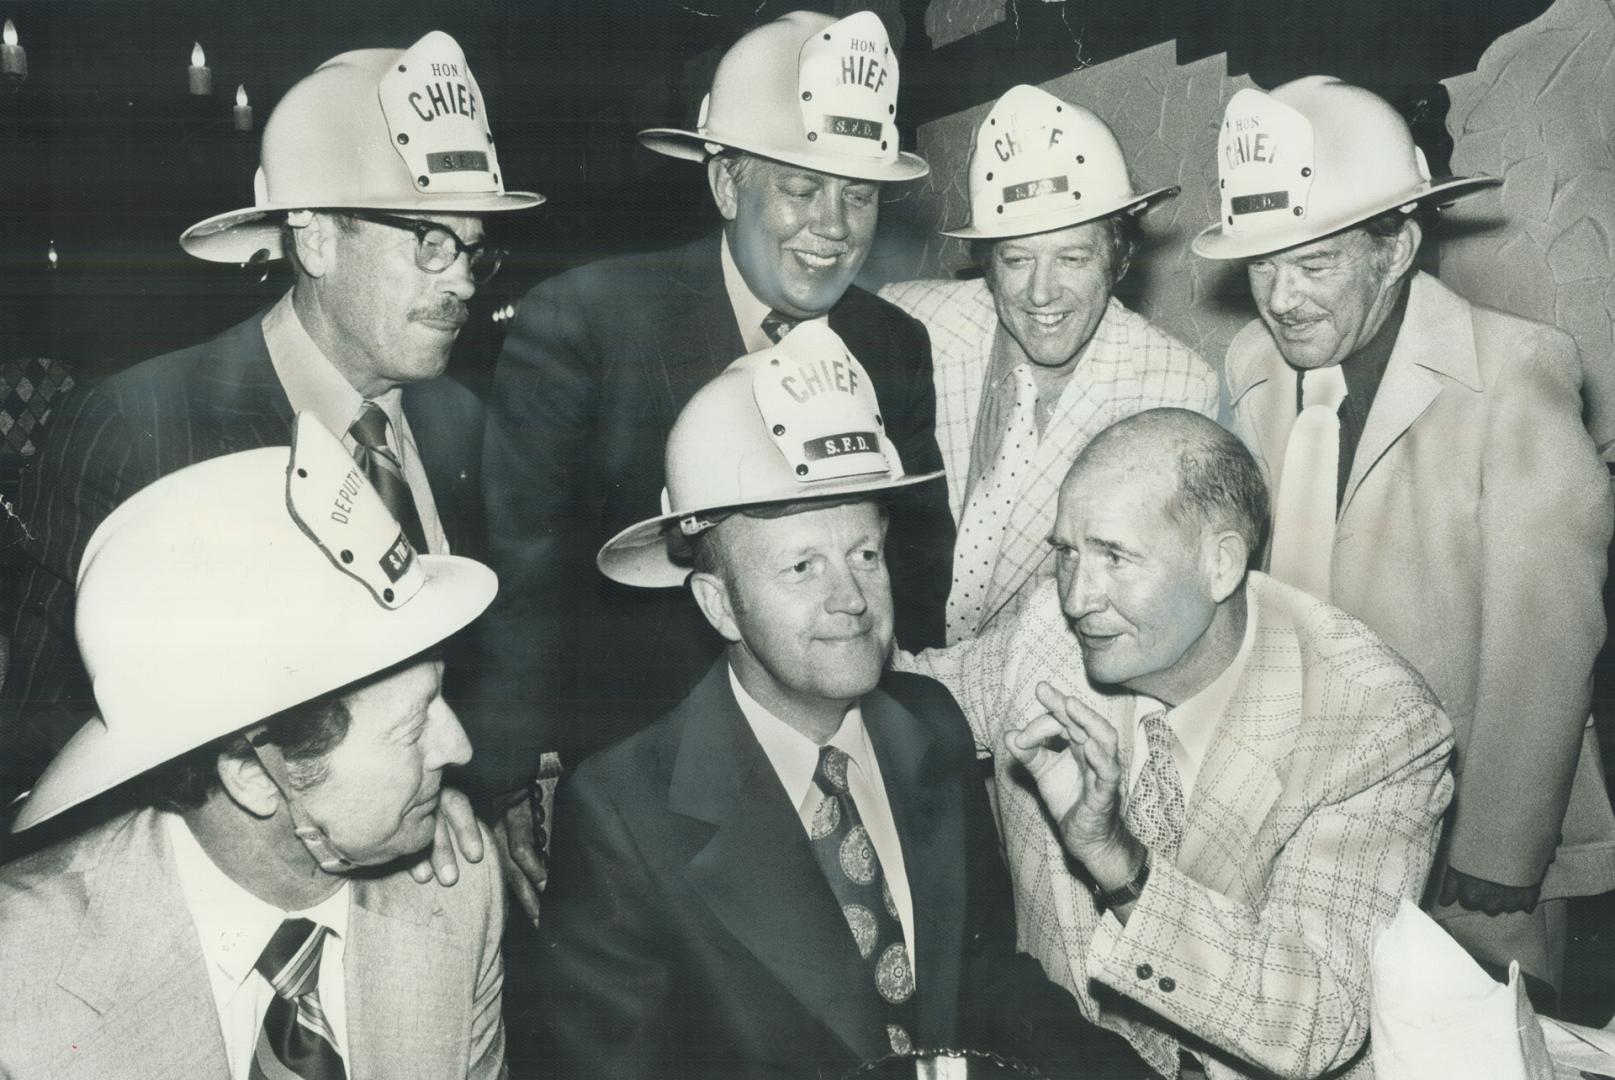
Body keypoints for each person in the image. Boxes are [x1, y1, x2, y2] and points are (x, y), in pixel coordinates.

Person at [532, 324, 1145, 1080]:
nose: (851, 599)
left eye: (864, 555)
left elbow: (985, 989)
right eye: (801, 568)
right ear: (719, 606)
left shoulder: (928, 727)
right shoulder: (624, 813)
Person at [476, 10, 956, 917]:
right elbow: (523, 576)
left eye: (858, 196)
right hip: (640, 797)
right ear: (727, 182)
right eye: (800, 188)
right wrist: (507, 780)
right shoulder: (584, 322)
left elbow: (919, 567)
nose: (832, 228)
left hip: (836, 765)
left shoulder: (893, 345)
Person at [3, 32, 542, 826]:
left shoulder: (457, 420)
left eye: (472, 248)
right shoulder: (138, 427)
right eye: (430, 242)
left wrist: (473, 795)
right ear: (317, 236)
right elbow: (41, 740)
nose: (461, 278)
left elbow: (464, 671)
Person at [1193, 76, 1615, 1000]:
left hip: (1466, 854)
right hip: (1298, 834)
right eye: (1262, 264)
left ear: (1396, 249)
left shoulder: (1511, 373)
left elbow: (1546, 637)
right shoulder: (1250, 366)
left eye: (1316, 261)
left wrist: (1499, 852)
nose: (1283, 297)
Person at [902, 408, 1453, 1080]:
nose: (1077, 596)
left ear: (1220, 564)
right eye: (1066, 553)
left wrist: (1119, 862)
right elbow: (908, 699)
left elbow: (1317, 1020)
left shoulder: (1373, 726)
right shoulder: (1048, 632)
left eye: (1114, 556)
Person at [0, 419, 507, 1079]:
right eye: (413, 726)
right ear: (252, 773)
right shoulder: (20, 977)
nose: (460, 748)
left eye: (443, 696)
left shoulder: (456, 887)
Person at [881, 84, 1216, 644]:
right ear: (986, 263)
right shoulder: (905, 323)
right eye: (1017, 259)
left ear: (1120, 257)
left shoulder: (1175, 391)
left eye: (1072, 258)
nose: (1041, 293)